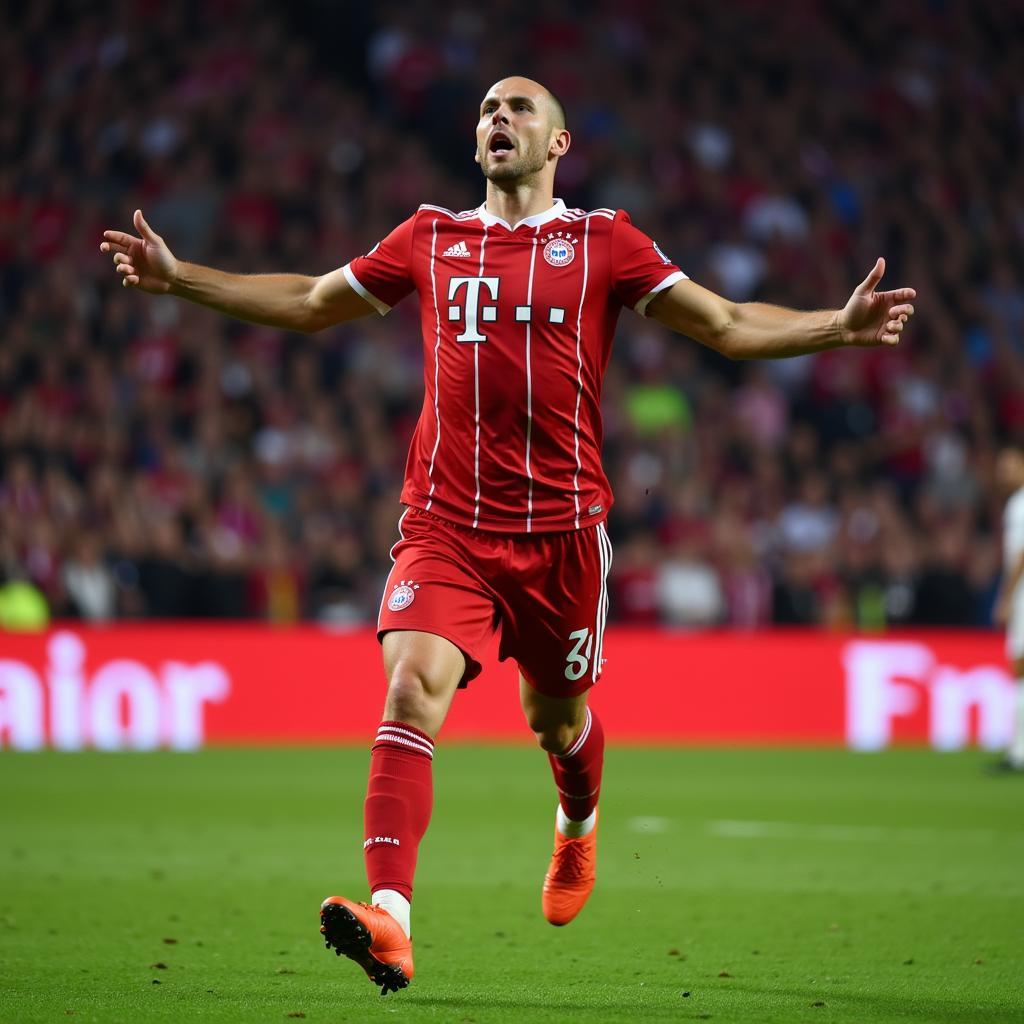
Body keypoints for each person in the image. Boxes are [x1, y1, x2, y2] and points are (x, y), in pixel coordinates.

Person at [100, 75, 915, 994]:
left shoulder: (605, 241)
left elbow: (725, 325)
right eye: (489, 108)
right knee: (410, 691)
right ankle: (392, 918)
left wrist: (832, 330)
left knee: (557, 720)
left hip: (563, 538)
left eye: (521, 108)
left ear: (559, 144)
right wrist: (182, 280)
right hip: (446, 527)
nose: (500, 118)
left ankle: (576, 827)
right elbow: (308, 300)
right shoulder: (429, 237)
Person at [994, 446, 1024, 771]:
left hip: (1023, 599)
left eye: (1011, 466)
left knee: (1020, 671)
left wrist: (1006, 597)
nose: (1004, 473)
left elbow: (1020, 555)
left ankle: (1019, 752)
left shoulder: (1019, 505)